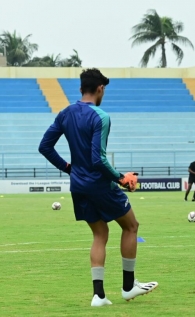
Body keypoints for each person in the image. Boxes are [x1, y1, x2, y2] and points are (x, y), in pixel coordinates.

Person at [38, 68, 158, 307]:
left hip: (78, 186)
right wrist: (121, 178)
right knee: (131, 226)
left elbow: (45, 147)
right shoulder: (100, 116)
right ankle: (128, 286)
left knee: (100, 234)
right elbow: (98, 159)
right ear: (100, 89)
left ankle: (99, 296)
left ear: (81, 88)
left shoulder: (65, 113)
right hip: (99, 184)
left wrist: (68, 168)